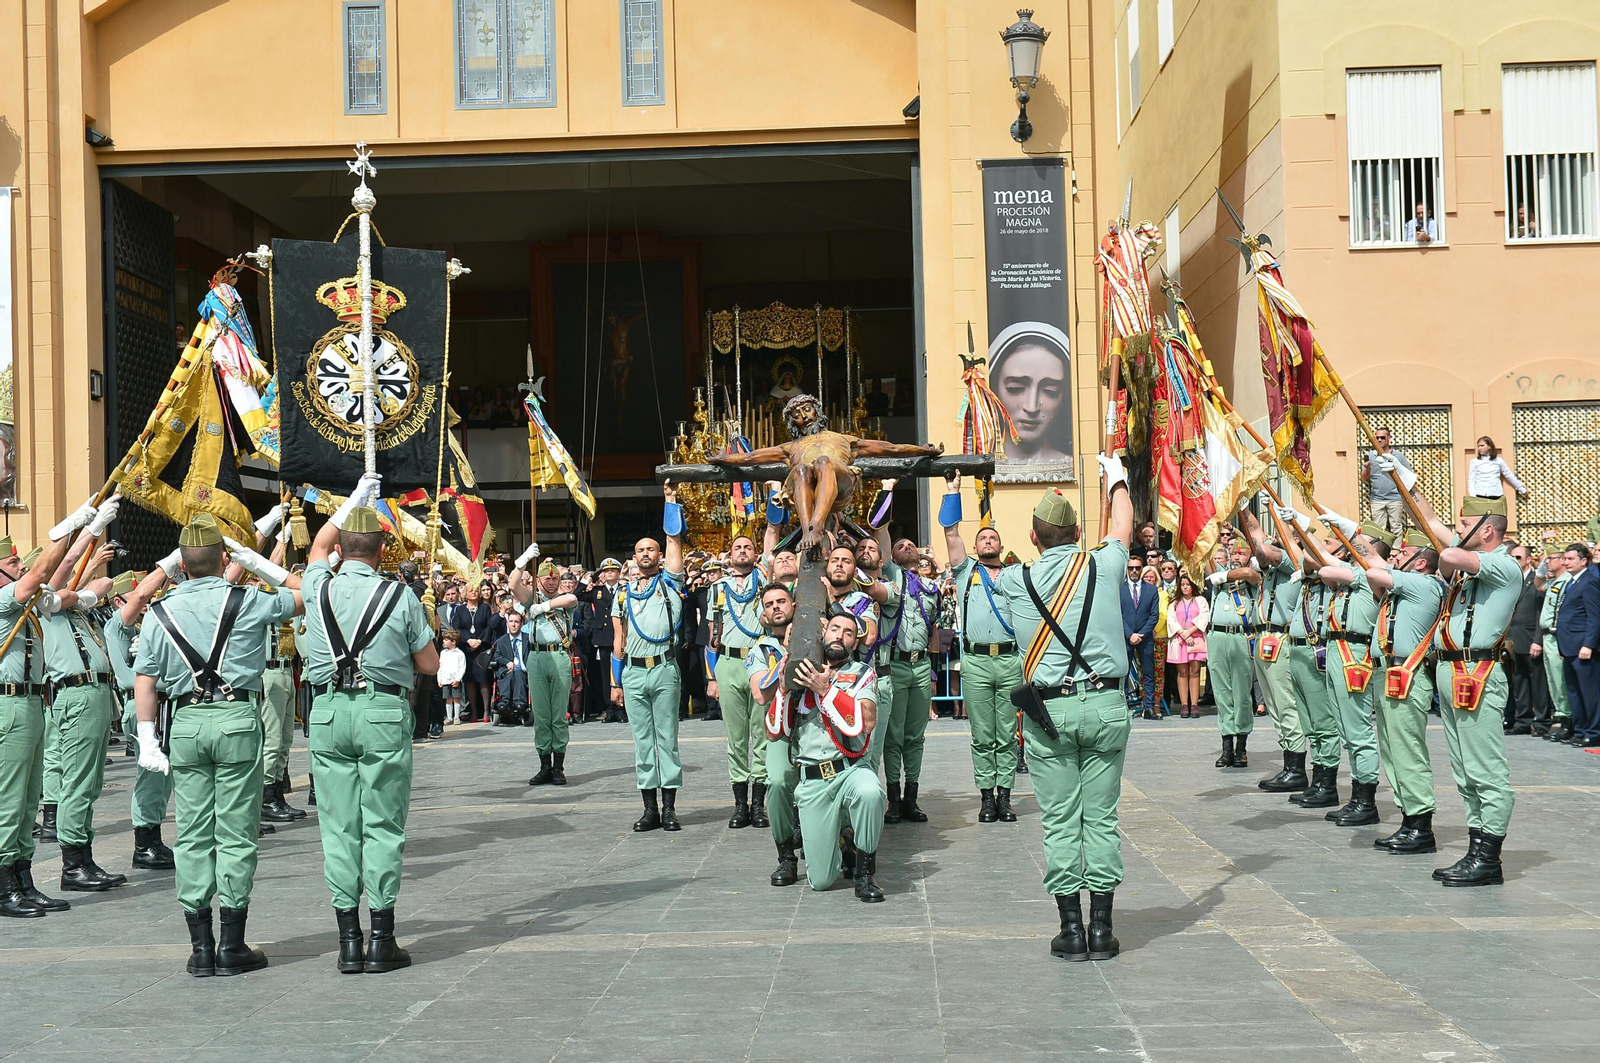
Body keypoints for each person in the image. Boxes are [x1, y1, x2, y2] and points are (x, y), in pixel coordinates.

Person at [133, 513, 304, 975]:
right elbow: (307, 595)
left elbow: (145, 677)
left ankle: (200, 947)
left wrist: (147, 736)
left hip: (185, 723)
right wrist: (259, 562)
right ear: (223, 559)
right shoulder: (246, 599)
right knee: (235, 832)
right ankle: (232, 943)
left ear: (182, 566)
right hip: (236, 720)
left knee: (191, 834)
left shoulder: (160, 611)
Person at [995, 455, 1133, 961]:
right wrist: (1114, 476)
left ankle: (1070, 930)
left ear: (1033, 538)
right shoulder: (1106, 561)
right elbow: (1123, 523)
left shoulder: (1015, 581)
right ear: (1077, 531)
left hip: (1048, 713)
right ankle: (1102, 929)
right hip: (1103, 704)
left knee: (1059, 821)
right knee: (1101, 818)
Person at [299, 482, 439, 971]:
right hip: (381, 712)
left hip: (329, 712)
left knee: (338, 827)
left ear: (341, 550)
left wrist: (353, 498)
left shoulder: (318, 588)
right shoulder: (398, 594)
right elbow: (428, 663)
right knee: (382, 824)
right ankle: (381, 939)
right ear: (382, 550)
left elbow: (317, 545)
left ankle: (347, 942)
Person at [1406, 490, 1524, 885]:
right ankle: (1476, 849)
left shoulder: (1504, 565)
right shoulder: (1476, 568)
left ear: (1486, 530)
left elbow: (1450, 553)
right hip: (1454, 672)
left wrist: (1449, 539)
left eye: (1463, 526)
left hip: (1478, 674)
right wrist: (1410, 488)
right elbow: (1436, 530)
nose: (1454, 533)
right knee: (1463, 769)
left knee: (1485, 768)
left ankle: (1489, 856)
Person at [0, 496, 108, 919]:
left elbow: (55, 577)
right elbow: (44, 572)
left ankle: (23, 879)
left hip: (29, 702)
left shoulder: (22, 603)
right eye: (12, 564)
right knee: (9, 799)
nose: (21, 567)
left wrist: (86, 531)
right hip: (7, 705)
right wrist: (65, 530)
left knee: (28, 800)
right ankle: (5, 883)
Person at [752, 611, 885, 900]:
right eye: (834, 629)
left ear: (854, 642)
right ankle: (843, 841)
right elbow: (775, 732)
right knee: (821, 881)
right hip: (813, 778)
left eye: (848, 632)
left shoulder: (862, 673)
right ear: (822, 634)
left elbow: (865, 720)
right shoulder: (800, 672)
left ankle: (865, 874)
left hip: (850, 769)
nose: (839, 635)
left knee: (870, 792)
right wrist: (785, 690)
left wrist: (825, 689)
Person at [40, 517, 123, 893]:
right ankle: (73, 863)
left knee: (88, 782)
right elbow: (64, 575)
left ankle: (83, 856)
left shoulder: (71, 609)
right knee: (78, 781)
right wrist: (87, 528)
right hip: (77, 694)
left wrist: (91, 573)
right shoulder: (45, 605)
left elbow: (73, 584)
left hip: (95, 696)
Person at [940, 472, 1021, 823]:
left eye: (993, 538)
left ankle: (1005, 796)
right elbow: (950, 532)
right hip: (975, 662)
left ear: (1001, 546)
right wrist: (952, 491)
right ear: (976, 548)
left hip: (1008, 661)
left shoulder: (1015, 574)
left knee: (1007, 733)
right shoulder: (965, 572)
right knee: (981, 733)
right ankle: (986, 797)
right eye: (983, 538)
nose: (988, 541)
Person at [611, 483, 688, 832]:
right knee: (642, 741)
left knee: (666, 739)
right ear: (633, 556)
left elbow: (675, 541)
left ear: (659, 556)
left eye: (651, 549)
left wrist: (669, 500)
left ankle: (670, 808)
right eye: (641, 550)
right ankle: (649, 808)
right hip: (634, 673)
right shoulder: (623, 594)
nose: (646, 554)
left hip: (664, 668)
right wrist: (616, 681)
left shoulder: (670, 583)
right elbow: (618, 640)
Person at [1361, 536, 1445, 854]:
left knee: (1407, 751)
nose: (1395, 556)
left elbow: (1373, 574)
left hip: (1407, 675)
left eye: (1404, 553)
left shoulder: (1423, 584)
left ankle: (1421, 827)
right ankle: (1409, 820)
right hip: (1388, 672)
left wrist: (1357, 537)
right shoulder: (1403, 587)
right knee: (1394, 753)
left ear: (1421, 562)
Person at [1312, 513, 1387, 827]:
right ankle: (1357, 795)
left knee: (1358, 731)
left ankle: (1365, 799)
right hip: (1336, 649)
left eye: (1357, 545)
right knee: (1345, 729)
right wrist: (1303, 528)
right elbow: (1320, 558)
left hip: (1354, 653)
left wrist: (1348, 531)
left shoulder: (1375, 573)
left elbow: (1328, 565)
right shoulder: (1355, 572)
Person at [105, 566, 177, 870]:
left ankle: (153, 836)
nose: (142, 602)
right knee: (150, 776)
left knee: (163, 778)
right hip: (142, 704)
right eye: (133, 597)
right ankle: (144, 843)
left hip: (162, 704)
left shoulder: (146, 627)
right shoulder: (116, 628)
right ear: (118, 602)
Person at [1272, 509, 1345, 808]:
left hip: (1318, 652)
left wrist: (1302, 526)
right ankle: (1316, 781)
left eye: (1328, 543)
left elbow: (1313, 558)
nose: (1321, 547)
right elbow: (1306, 557)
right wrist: (1294, 527)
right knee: (1309, 721)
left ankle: (1327, 784)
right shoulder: (1310, 577)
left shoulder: (1336, 572)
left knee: (1323, 721)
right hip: (1298, 650)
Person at [1238, 504, 1309, 793]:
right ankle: (1289, 762)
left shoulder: (1295, 559)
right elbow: (1256, 534)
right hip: (1263, 637)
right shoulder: (1275, 564)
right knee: (1276, 706)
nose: (1276, 535)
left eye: (1285, 531)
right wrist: (1242, 505)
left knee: (1285, 704)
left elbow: (1262, 549)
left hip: (1280, 640)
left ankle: (1297, 767)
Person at [876, 525, 940, 824]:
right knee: (894, 735)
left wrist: (934, 672)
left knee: (916, 736)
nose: (906, 547)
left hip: (921, 664)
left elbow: (933, 631)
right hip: (897, 664)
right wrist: (886, 526)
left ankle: (912, 798)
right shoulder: (893, 577)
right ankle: (894, 800)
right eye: (900, 545)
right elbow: (883, 543)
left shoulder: (931, 588)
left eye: (911, 544)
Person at [705, 535, 768, 829]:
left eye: (748, 547)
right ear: (729, 556)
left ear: (755, 554)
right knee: (736, 737)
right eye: (737, 548)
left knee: (763, 734)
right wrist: (711, 676)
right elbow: (712, 635)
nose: (742, 551)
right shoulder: (718, 588)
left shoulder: (764, 583)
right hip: (728, 663)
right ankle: (740, 804)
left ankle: (758, 804)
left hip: (759, 662)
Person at [748, 583, 803, 885]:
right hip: (780, 729)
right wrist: (787, 657)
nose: (776, 607)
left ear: (794, 604)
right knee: (779, 782)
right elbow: (760, 694)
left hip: (815, 727)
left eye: (782, 601)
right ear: (765, 615)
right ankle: (786, 856)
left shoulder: (816, 634)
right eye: (769, 605)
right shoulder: (761, 650)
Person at [508, 555, 579, 783]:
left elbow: (571, 599)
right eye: (546, 579)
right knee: (541, 715)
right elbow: (512, 585)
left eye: (555, 578)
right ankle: (544, 765)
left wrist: (545, 606)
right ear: (538, 581)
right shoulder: (531, 598)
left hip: (558, 655)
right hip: (537, 656)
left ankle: (558, 766)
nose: (551, 582)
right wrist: (523, 562)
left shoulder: (563, 598)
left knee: (558, 714)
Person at [987, 322, 1074, 464]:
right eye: (1015, 388)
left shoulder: (1073, 466)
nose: (1031, 407)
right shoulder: (978, 472)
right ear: (994, 389)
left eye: (1050, 391)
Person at [1204, 540, 1258, 767]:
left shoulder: (1253, 576)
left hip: (1240, 636)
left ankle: (1241, 747)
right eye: (1233, 553)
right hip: (1217, 636)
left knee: (1241, 693)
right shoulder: (1219, 573)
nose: (1236, 556)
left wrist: (1226, 577)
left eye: (1242, 553)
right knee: (1222, 692)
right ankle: (1226, 745)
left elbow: (1248, 573)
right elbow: (1204, 558)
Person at [1555, 542, 1600, 748]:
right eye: (1564, 558)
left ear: (1584, 560)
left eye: (1571, 558)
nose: (1566, 562)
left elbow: (1594, 617)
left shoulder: (1589, 581)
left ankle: (1594, 731)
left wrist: (1589, 644)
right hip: (1569, 646)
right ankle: (1580, 729)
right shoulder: (1571, 582)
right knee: (1573, 691)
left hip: (1582, 646)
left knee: (1589, 692)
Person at [1503, 543, 1547, 736]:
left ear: (1529, 559)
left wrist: (1538, 639)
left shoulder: (1536, 581)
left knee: (1538, 683)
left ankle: (1542, 721)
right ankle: (1522, 721)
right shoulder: (1511, 581)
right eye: (1512, 557)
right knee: (1518, 681)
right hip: (1513, 639)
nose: (1514, 560)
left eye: (1518, 557)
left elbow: (1540, 613)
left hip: (1531, 638)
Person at [1537, 545, 1572, 742]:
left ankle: (1568, 720)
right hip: (1547, 636)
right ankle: (1561, 715)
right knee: (1553, 680)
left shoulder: (1568, 581)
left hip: (1557, 634)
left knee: (1561, 680)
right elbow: (1538, 584)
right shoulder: (1554, 581)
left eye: (1550, 559)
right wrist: (1543, 568)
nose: (1547, 562)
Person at [1120, 555, 1158, 720]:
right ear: (1127, 570)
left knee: (1148, 673)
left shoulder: (1151, 590)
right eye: (1131, 568)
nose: (1134, 571)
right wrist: (1129, 634)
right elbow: (1116, 614)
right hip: (1125, 637)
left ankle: (1148, 708)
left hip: (1145, 638)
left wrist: (1141, 634)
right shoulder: (1119, 589)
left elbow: (1154, 615)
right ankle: (1124, 707)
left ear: (1142, 569)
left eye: (1137, 568)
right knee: (1123, 672)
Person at [1166, 573, 1209, 718]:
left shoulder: (1200, 600)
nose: (1185, 587)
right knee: (1182, 672)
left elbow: (1204, 617)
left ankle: (1194, 704)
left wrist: (1190, 632)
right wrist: (1183, 633)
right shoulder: (1175, 602)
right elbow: (1171, 620)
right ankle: (1184, 704)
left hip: (1195, 639)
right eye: (1183, 584)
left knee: (1195, 671)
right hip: (1180, 640)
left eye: (1188, 584)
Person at [1360, 429, 1412, 538]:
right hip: (1377, 499)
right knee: (1378, 529)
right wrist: (1368, 469)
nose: (1379, 440)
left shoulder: (1398, 456)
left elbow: (1408, 474)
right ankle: (1381, 552)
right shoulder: (1371, 456)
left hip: (1396, 498)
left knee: (1396, 527)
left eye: (1382, 437)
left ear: (1389, 438)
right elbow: (1363, 478)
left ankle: (1396, 551)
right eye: (1377, 438)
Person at [490, 609, 533, 727]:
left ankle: (520, 702)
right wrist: (507, 662)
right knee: (510, 674)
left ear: (521, 624)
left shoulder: (528, 639)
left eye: (516, 622)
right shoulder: (501, 640)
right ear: (507, 623)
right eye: (511, 621)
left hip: (524, 671)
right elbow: (497, 655)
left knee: (518, 673)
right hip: (506, 670)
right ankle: (504, 702)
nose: (513, 624)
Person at [438, 629, 466, 724]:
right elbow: (440, 666)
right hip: (445, 679)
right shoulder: (443, 653)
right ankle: (449, 717)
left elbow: (462, 667)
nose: (444, 641)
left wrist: (458, 679)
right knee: (448, 699)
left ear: (453, 642)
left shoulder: (459, 654)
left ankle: (457, 717)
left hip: (455, 680)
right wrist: (439, 679)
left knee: (456, 698)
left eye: (446, 640)